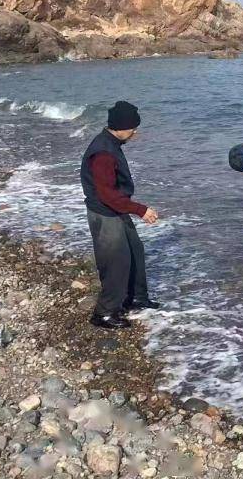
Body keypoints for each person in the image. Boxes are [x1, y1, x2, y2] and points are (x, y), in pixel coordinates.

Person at [80, 101, 161, 330]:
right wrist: (140, 210)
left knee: (135, 250)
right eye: (133, 128)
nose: (135, 132)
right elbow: (106, 194)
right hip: (105, 213)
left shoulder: (112, 144)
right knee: (116, 261)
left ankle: (135, 299)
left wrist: (130, 208)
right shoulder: (103, 152)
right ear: (120, 126)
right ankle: (104, 313)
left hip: (117, 209)